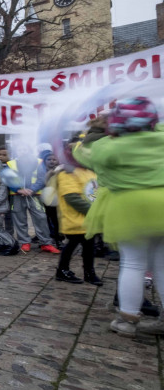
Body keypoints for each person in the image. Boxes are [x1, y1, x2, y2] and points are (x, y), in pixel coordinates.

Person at [71, 98, 164, 336]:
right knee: (162, 265)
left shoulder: (108, 147)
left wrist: (96, 129)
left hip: (129, 207)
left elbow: (80, 153)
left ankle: (128, 320)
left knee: (133, 263)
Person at [54, 155, 100, 286]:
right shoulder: (67, 172)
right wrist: (93, 211)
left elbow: (95, 190)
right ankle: (62, 270)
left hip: (88, 218)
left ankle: (89, 272)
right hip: (75, 217)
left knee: (89, 246)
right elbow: (71, 197)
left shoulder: (89, 171)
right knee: (72, 244)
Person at [5, 148, 60, 254]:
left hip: (35, 195)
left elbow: (41, 178)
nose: (24, 151)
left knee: (41, 218)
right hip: (17, 196)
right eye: (21, 150)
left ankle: (46, 243)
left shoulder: (39, 162)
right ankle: (24, 242)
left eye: (26, 149)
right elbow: (8, 179)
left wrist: (32, 190)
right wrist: (18, 189)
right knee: (20, 219)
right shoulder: (11, 164)